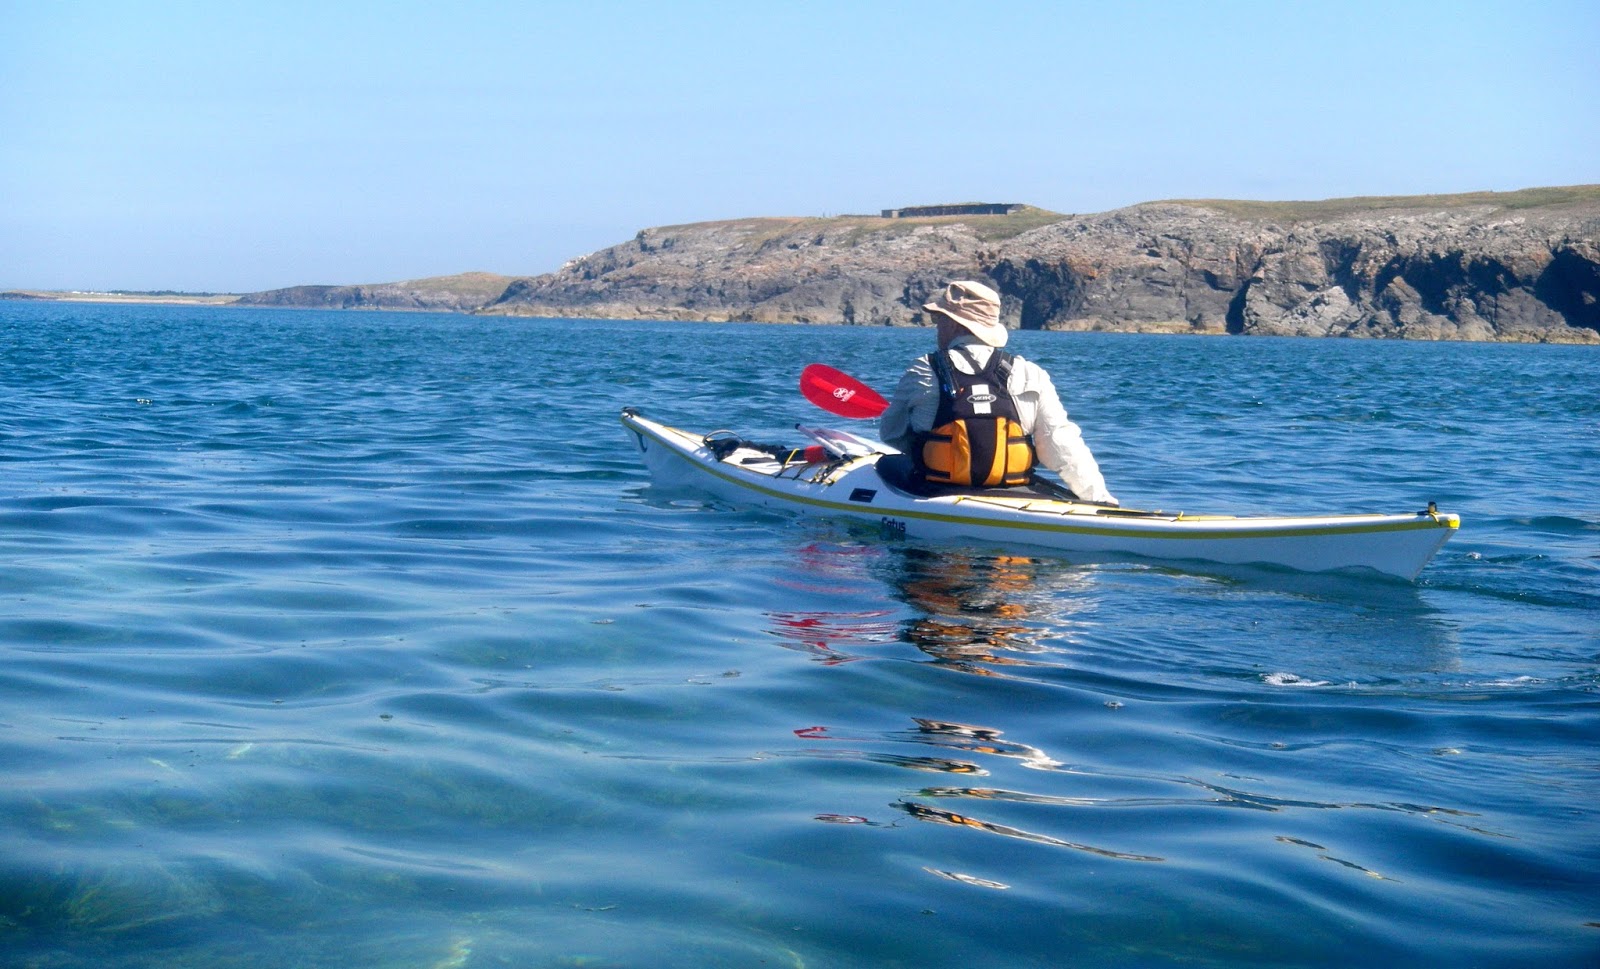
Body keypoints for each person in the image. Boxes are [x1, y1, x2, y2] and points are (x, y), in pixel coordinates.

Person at [878, 279, 1118, 505]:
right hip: (1010, 492)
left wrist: (935, 451)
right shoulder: (1030, 372)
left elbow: (891, 433)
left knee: (887, 464)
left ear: (952, 323)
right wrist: (1098, 497)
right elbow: (1060, 444)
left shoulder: (923, 368)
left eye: (938, 320)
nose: (936, 327)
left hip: (937, 491)